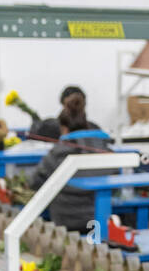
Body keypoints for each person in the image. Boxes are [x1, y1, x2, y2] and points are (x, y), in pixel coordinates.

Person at [26, 92, 117, 232]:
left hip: (65, 221)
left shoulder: (57, 153)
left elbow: (34, 182)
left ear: (63, 128)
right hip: (99, 218)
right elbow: (115, 184)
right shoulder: (105, 150)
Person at [29, 85, 100, 142]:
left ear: (62, 102)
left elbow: (32, 134)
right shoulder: (95, 129)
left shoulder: (46, 126)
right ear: (84, 104)